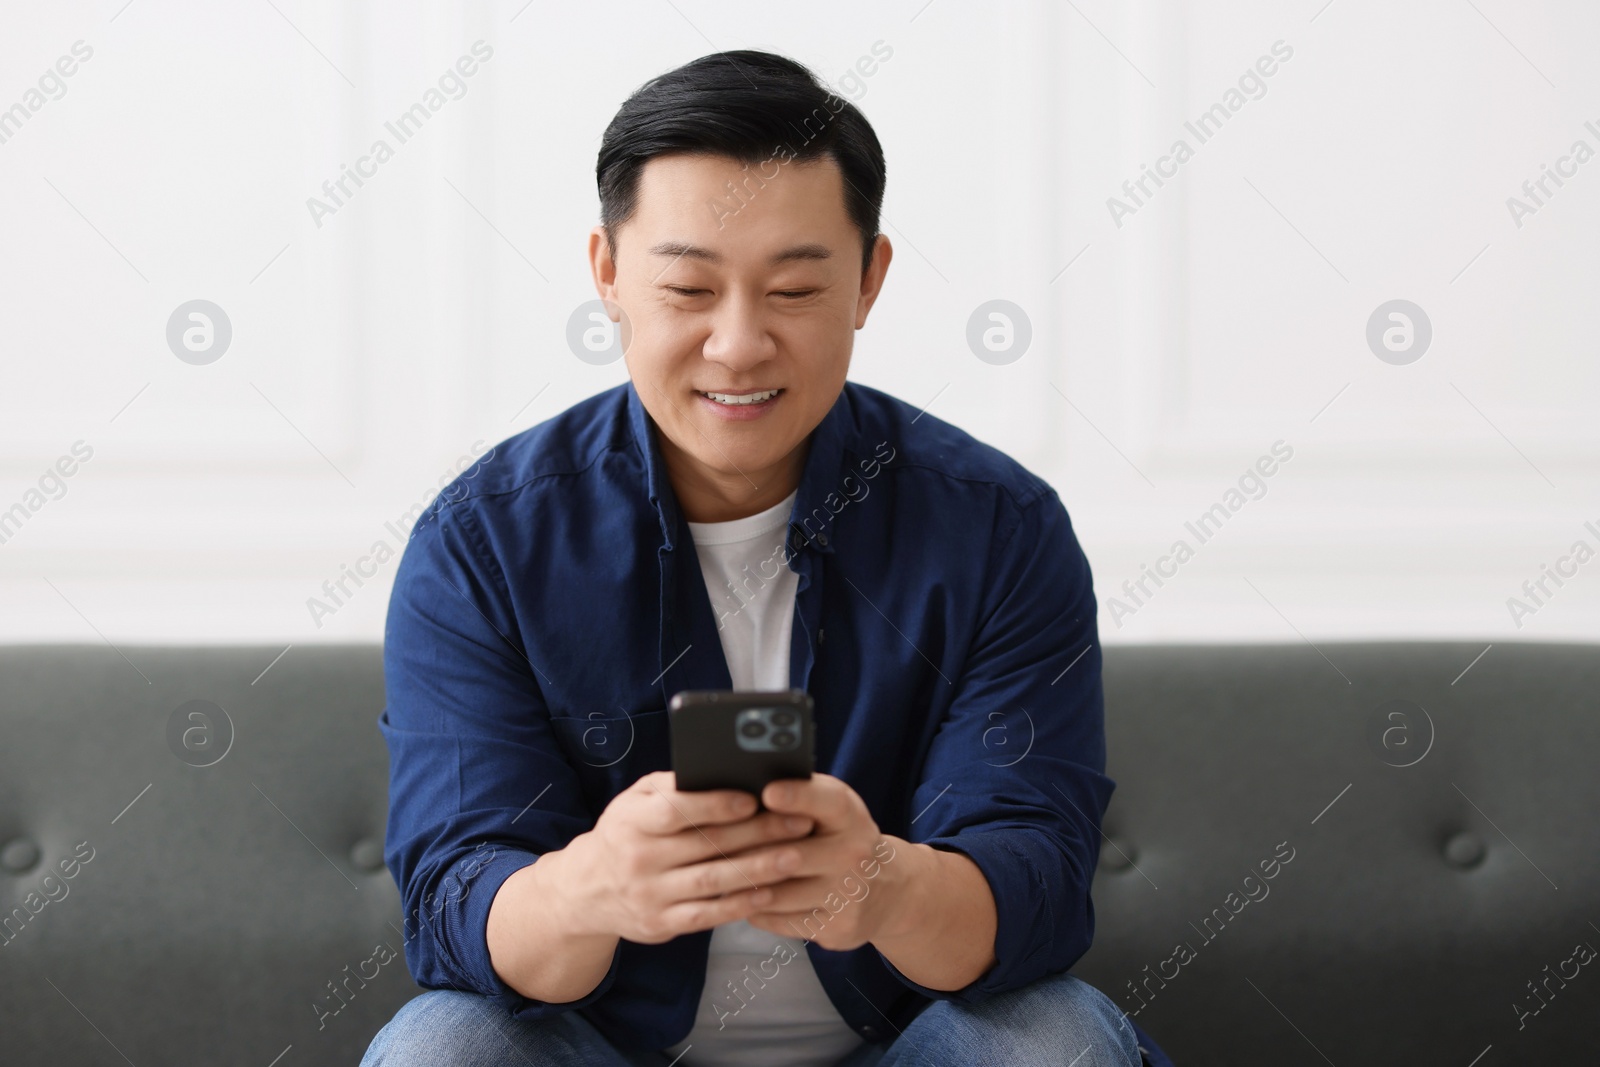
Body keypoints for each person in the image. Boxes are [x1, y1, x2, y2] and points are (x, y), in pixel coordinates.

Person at [361, 48, 1172, 1067]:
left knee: (1052, 1040)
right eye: (689, 287)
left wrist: (879, 885)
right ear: (608, 275)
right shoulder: (483, 542)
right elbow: (452, 904)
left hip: (905, 1042)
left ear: (869, 280)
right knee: (446, 1047)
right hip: (602, 1049)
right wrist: (595, 886)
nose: (738, 344)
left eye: (793, 288)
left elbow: (1036, 887)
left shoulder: (996, 528)